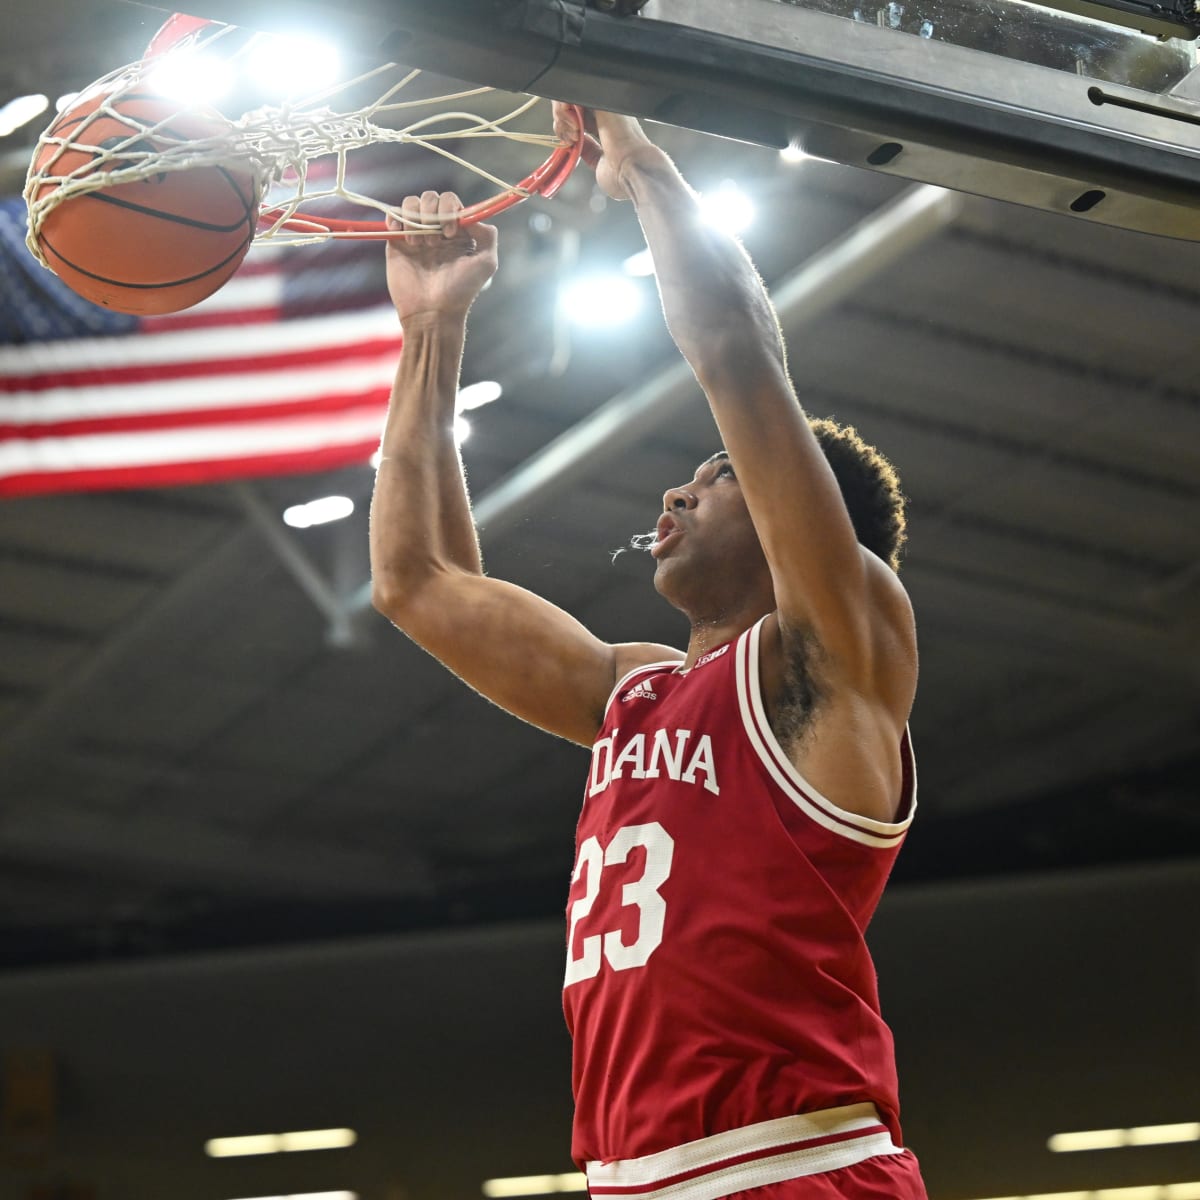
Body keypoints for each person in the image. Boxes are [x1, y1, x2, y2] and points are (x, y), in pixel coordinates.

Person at [370, 104, 925, 1200]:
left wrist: (636, 156)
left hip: (793, 1164)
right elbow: (418, 580)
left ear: (788, 515)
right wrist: (431, 332)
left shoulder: (843, 650)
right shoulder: (634, 688)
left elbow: (733, 348)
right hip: (633, 1178)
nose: (676, 488)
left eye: (717, 476)